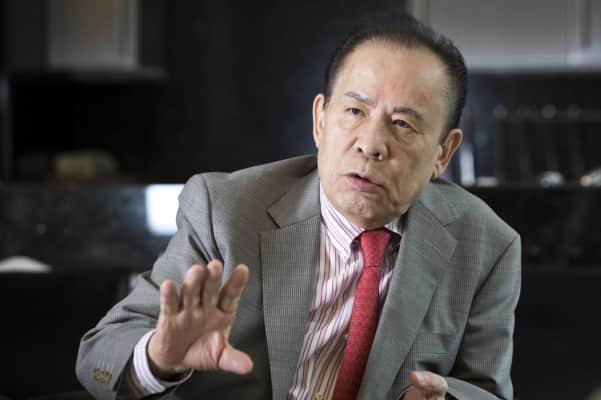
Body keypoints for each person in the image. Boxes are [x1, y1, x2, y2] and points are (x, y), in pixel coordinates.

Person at [76, 14, 520, 400]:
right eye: (355, 112)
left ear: (444, 152)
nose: (371, 144)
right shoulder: (227, 210)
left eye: (403, 124)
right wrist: (160, 358)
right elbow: (99, 355)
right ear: (320, 120)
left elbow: (486, 390)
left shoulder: (486, 245)